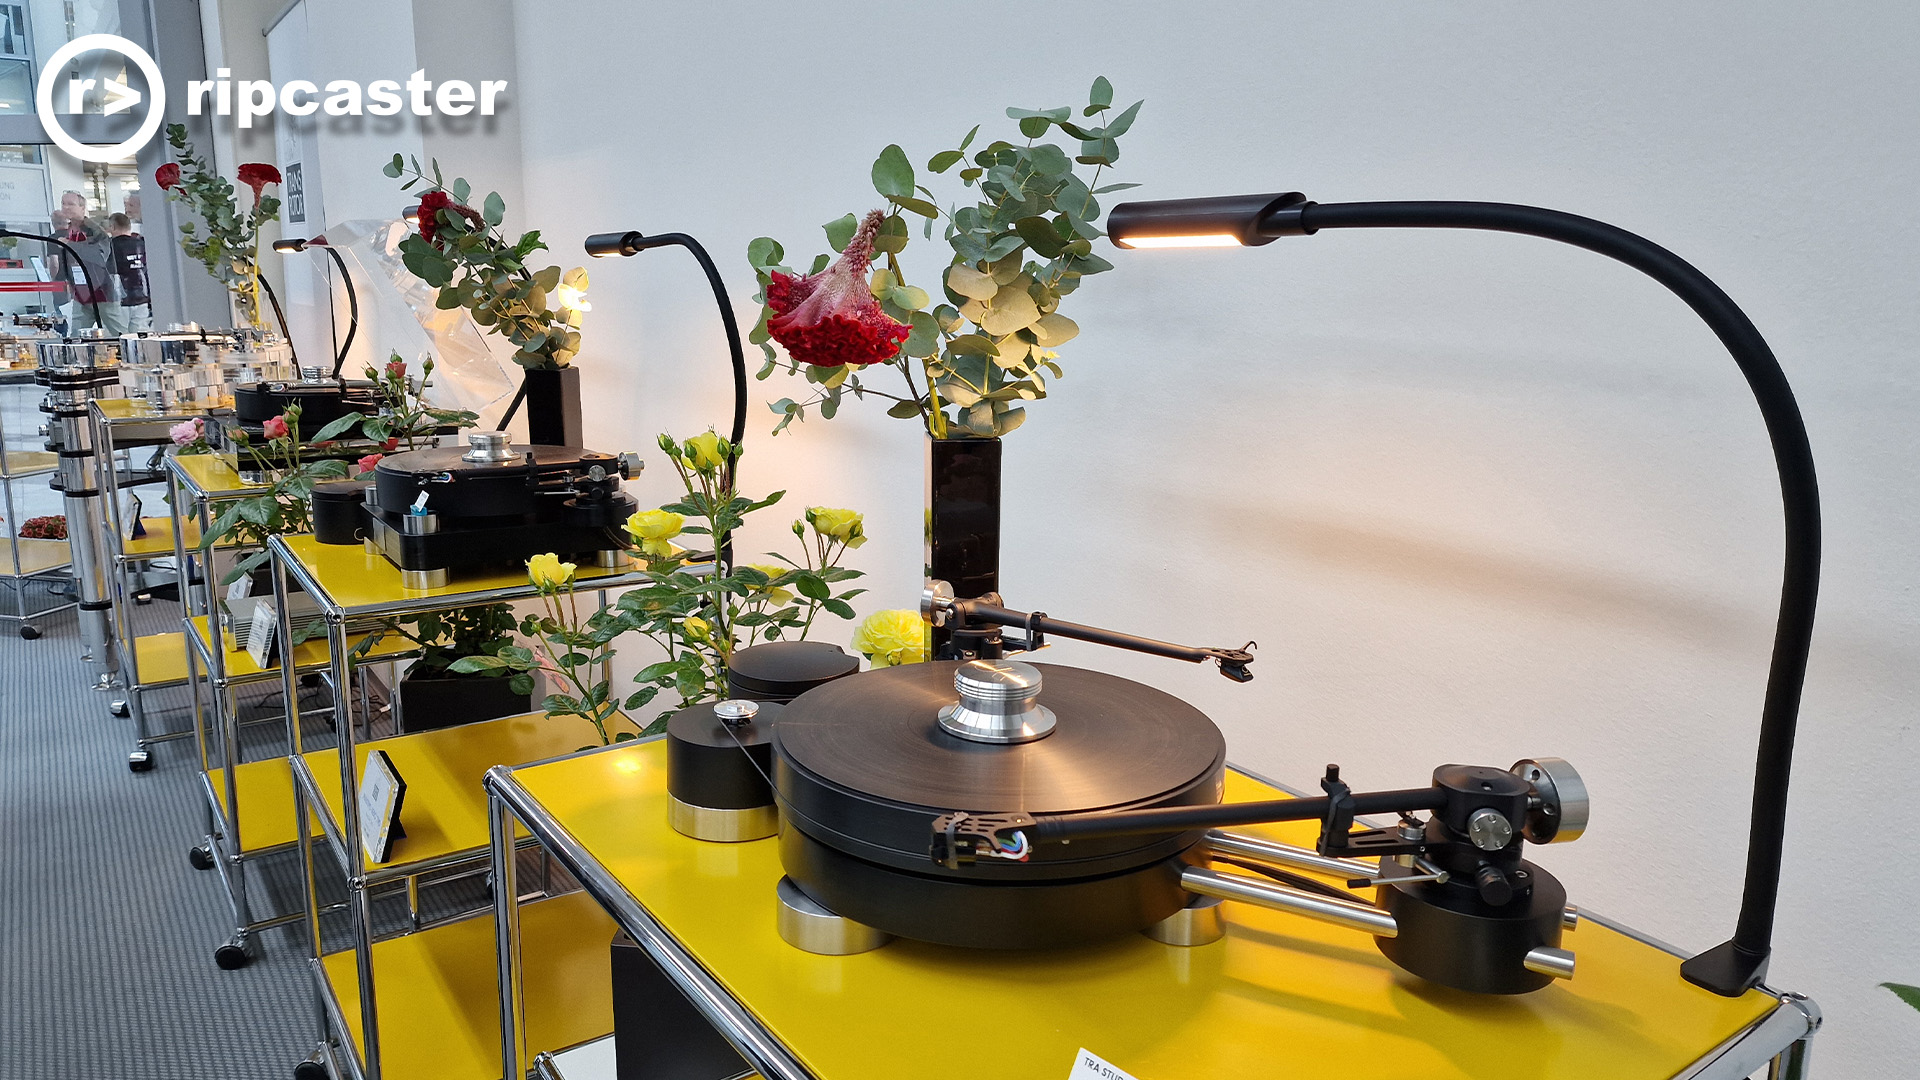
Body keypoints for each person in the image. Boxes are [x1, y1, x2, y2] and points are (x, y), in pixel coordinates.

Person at [50, 192, 114, 333]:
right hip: (80, 293)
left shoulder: (94, 230)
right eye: (63, 203)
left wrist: (69, 245)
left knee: (116, 333)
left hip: (101, 293)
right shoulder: (69, 231)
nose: (65, 207)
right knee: (77, 337)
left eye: (71, 204)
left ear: (82, 207)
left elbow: (98, 255)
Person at [107, 213, 149, 332]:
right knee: (141, 338)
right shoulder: (141, 244)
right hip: (142, 298)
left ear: (113, 227)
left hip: (120, 299)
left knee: (119, 338)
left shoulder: (110, 246)